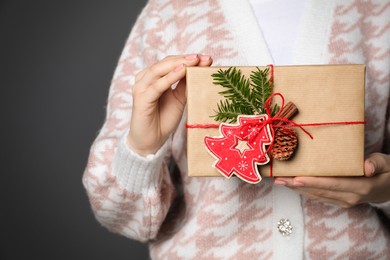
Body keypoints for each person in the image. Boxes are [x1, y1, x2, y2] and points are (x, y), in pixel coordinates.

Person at [83, 0, 390, 259]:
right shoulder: (170, 11)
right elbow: (123, 218)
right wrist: (141, 149)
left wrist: (385, 190)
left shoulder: (378, 10)